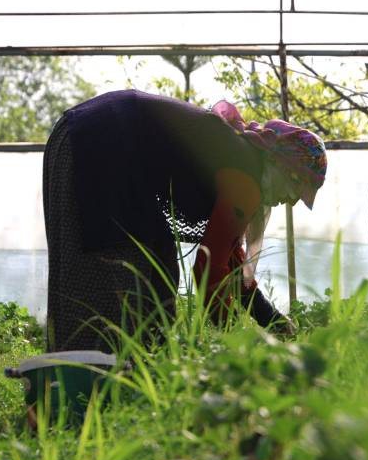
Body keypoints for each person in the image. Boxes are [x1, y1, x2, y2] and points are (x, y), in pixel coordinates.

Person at [43, 90, 326, 352]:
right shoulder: (245, 176)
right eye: (295, 190)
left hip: (103, 138)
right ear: (282, 167)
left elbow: (230, 265)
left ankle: (140, 372)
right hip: (102, 144)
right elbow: (208, 270)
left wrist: (274, 323)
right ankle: (91, 380)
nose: (291, 202)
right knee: (113, 271)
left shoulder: (241, 158)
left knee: (158, 273)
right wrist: (235, 345)